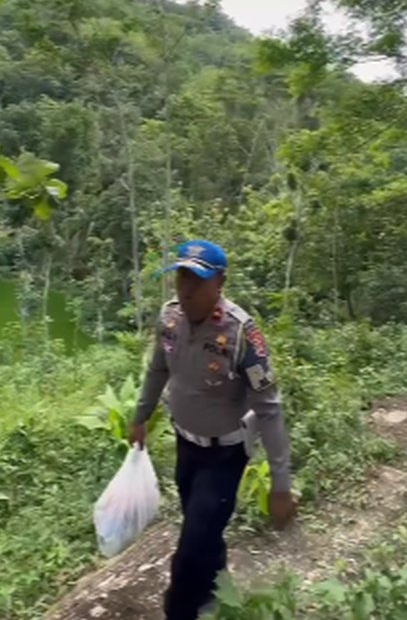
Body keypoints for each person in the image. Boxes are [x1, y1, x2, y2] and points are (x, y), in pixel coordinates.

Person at [130, 239, 295, 620]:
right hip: (186, 445)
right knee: (202, 530)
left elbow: (269, 410)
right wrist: (140, 417)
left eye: (198, 279)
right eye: (182, 276)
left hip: (224, 455)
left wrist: (281, 486)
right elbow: (158, 370)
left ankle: (181, 610)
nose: (186, 288)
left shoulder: (242, 335)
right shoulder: (169, 319)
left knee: (189, 550)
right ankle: (217, 587)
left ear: (219, 282)